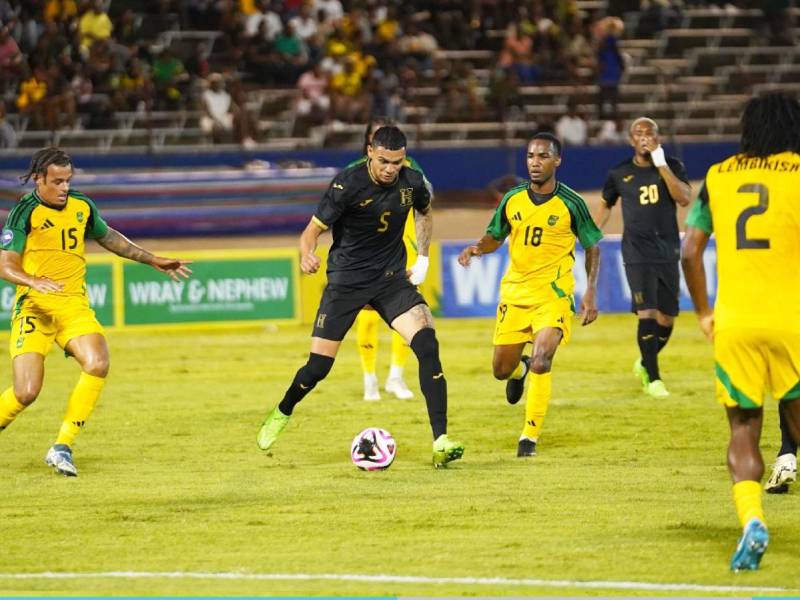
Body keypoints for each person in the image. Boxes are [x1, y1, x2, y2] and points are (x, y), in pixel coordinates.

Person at [257, 126, 464, 468]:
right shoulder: (346, 185)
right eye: (383, 161)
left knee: (428, 344)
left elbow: (425, 211)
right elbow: (311, 231)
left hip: (390, 280)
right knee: (318, 367)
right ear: (370, 151)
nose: (389, 169)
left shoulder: (411, 182)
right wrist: (306, 255)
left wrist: (423, 258)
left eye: (396, 163)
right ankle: (283, 410)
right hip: (346, 282)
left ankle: (441, 440)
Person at [0, 148, 192, 477]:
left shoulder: (82, 206)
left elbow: (109, 237)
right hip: (34, 308)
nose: (64, 188)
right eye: (57, 182)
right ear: (38, 179)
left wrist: (152, 259)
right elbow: (6, 264)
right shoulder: (24, 212)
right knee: (26, 391)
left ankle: (62, 446)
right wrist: (34, 281)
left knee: (98, 362)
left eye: (68, 181)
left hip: (73, 305)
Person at [681, 91, 800, 571]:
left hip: (735, 322)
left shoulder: (717, 177)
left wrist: (705, 313)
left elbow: (690, 252)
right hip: (792, 317)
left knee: (744, 429)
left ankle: (752, 521)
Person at [458, 133, 602, 457]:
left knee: (542, 358)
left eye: (542, 156)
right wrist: (477, 248)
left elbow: (592, 244)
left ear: (557, 160)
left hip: (553, 292)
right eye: (531, 157)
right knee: (501, 371)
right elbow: (495, 236)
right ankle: (519, 370)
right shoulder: (512, 199)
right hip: (516, 292)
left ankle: (529, 437)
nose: (535, 163)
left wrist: (590, 290)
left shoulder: (571, 202)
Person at [596, 117, 692, 398]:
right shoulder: (619, 173)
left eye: (649, 133)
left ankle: (645, 361)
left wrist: (661, 164)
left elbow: (684, 198)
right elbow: (605, 205)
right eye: (638, 133)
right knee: (646, 311)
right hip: (637, 252)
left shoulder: (672, 166)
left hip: (668, 250)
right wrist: (591, 232)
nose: (644, 137)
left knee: (667, 318)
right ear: (631, 141)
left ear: (658, 139)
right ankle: (654, 378)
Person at [348, 117, 428, 401]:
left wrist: (421, 253)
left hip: (400, 247)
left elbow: (425, 204)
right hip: (367, 253)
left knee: (405, 309)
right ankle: (369, 378)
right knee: (367, 315)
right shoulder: (353, 173)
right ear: (369, 146)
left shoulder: (411, 170)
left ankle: (396, 376)